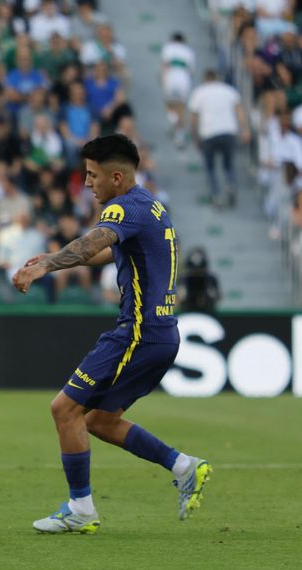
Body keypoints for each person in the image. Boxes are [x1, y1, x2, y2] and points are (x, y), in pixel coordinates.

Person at [13, 134, 211, 533]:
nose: (88, 183)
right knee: (99, 420)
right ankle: (185, 466)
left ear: (116, 177)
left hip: (137, 332)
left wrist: (45, 265)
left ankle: (80, 510)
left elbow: (92, 243)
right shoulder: (151, 205)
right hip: (159, 333)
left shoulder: (125, 208)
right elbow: (110, 250)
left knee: (64, 409)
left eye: (92, 175)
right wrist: (56, 263)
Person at [188, 69, 250, 208]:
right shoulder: (229, 91)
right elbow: (239, 111)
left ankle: (216, 195)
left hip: (208, 133)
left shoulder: (199, 92)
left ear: (205, 79)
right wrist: (244, 129)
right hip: (228, 131)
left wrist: (194, 136)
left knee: (210, 167)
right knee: (228, 164)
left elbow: (193, 117)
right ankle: (230, 184)